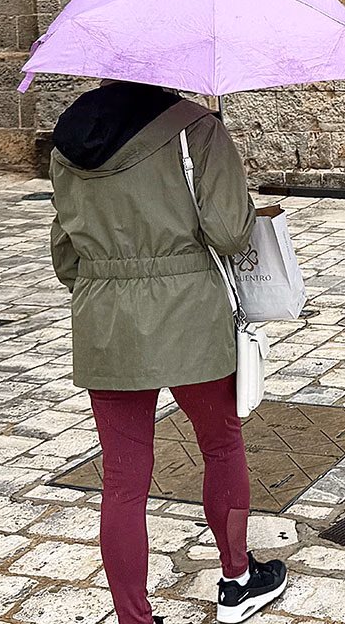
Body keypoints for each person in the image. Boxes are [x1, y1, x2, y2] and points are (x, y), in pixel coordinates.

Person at [49, 82, 287, 624]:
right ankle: (237, 580)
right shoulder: (196, 128)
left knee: (122, 479)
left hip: (105, 321)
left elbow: (65, 256)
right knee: (221, 447)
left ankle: (133, 617)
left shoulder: (68, 141)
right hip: (190, 314)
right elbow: (228, 234)